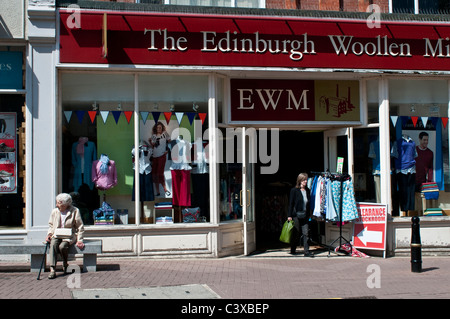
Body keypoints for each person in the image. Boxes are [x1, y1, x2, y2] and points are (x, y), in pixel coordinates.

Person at [45, 193, 85, 279]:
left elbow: (80, 226)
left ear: (66, 204)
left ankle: (65, 263)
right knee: (53, 244)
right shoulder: (55, 211)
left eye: (59, 203)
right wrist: (49, 234)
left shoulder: (74, 211)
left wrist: (80, 239)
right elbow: (51, 225)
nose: (57, 205)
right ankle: (52, 269)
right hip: (56, 234)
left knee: (63, 246)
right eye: (57, 202)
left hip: (69, 235)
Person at [288, 173, 313, 257]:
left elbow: (308, 203)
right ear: (300, 180)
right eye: (304, 180)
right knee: (296, 233)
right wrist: (289, 215)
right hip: (296, 215)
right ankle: (293, 249)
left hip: (305, 215)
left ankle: (306, 251)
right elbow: (291, 204)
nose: (305, 181)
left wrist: (309, 213)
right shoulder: (294, 190)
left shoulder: (308, 190)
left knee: (306, 233)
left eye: (306, 180)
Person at [149, 121, 171, 197]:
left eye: (160, 127)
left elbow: (170, 142)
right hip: (155, 156)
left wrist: (167, 150)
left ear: (162, 128)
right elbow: (153, 146)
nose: (159, 129)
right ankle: (157, 191)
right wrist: (151, 142)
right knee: (154, 174)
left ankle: (165, 189)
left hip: (162, 155)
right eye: (157, 127)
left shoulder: (165, 134)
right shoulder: (154, 136)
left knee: (160, 173)